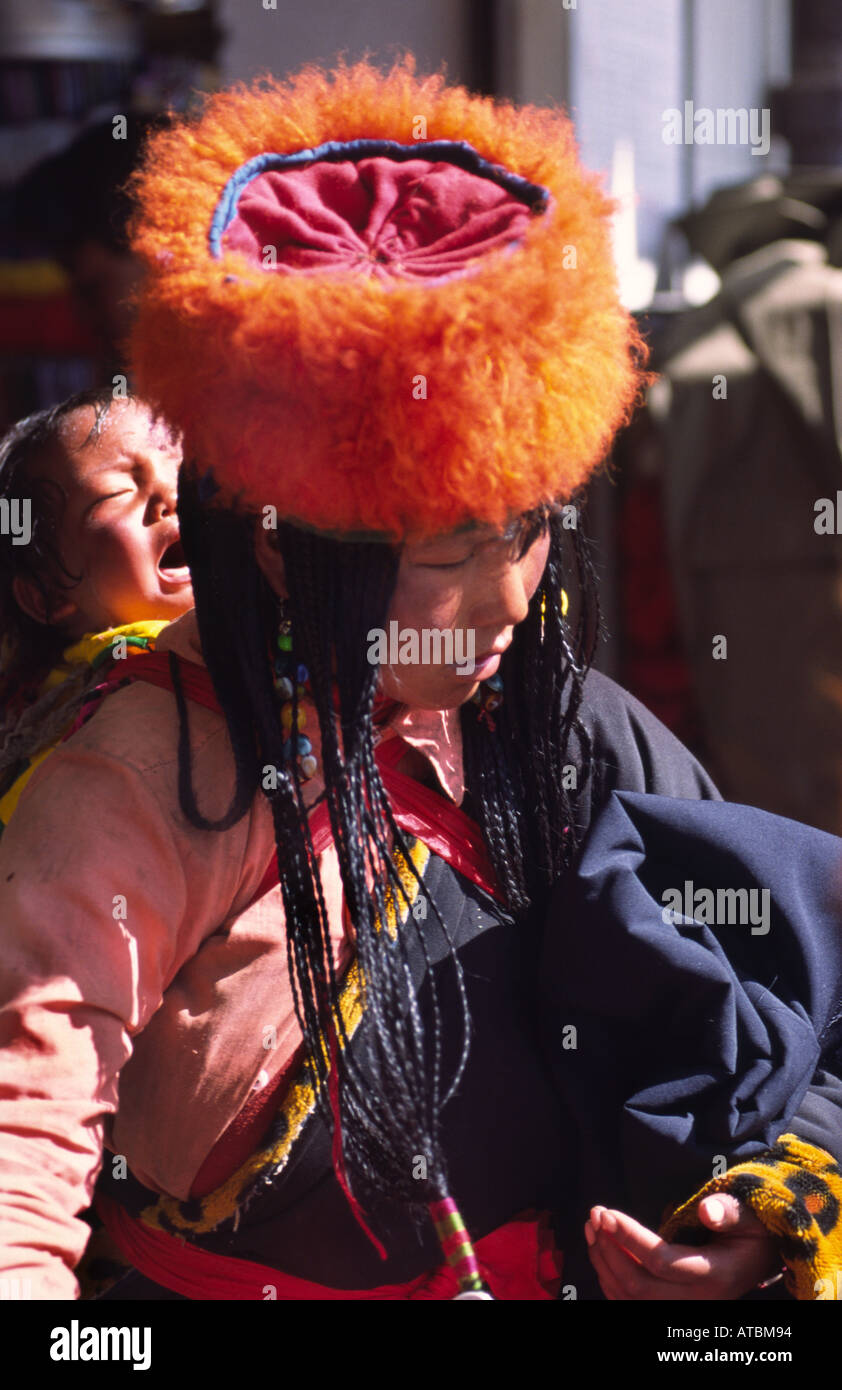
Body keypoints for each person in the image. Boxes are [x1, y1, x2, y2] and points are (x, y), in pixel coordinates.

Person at [0, 58, 840, 1303]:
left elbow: (798, 998)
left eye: (525, 530)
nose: (509, 599)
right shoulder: (141, 775)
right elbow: (25, 1138)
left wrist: (767, 1207)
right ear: (283, 541)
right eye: (446, 552)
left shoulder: (572, 730)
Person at [0, 388, 193, 829]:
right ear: (47, 597)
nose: (170, 493)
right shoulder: (73, 737)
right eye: (116, 491)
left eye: (185, 467)